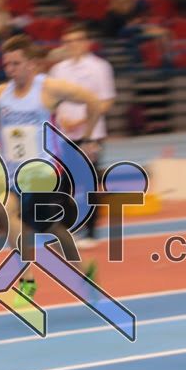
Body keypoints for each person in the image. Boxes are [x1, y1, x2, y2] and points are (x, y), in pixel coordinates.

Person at [0, 34, 101, 306]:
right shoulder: (0, 94)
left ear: (31, 64)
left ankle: (76, 272)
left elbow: (92, 101)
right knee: (10, 214)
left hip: (44, 173)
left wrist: (88, 139)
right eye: (7, 64)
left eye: (16, 63)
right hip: (13, 174)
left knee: (47, 228)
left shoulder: (48, 88)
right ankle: (31, 279)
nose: (10, 69)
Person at [49, 24, 116, 249]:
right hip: (64, 135)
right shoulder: (58, 69)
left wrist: (81, 121)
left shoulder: (100, 67)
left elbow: (106, 101)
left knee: (88, 183)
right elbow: (52, 100)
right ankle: (66, 230)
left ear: (87, 43)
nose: (73, 45)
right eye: (68, 41)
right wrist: (60, 119)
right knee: (62, 185)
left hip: (91, 134)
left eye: (77, 40)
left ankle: (91, 231)